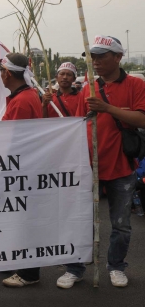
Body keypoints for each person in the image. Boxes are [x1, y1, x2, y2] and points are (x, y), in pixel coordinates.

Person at [57, 35, 145, 288]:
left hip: (121, 168)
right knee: (81, 221)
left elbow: (141, 119)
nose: (95, 61)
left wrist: (108, 109)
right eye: (92, 57)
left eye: (101, 56)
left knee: (121, 225)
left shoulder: (136, 85)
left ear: (118, 57)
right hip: (88, 167)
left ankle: (116, 267)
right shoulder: (88, 87)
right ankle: (75, 268)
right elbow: (77, 124)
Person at [0, 53, 43, 288]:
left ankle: (29, 273)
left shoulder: (23, 100)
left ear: (8, 73)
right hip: (19, 168)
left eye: (1, 71)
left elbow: (16, 142)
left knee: (24, 219)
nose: (0, 76)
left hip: (19, 169)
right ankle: (16, 261)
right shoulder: (23, 96)